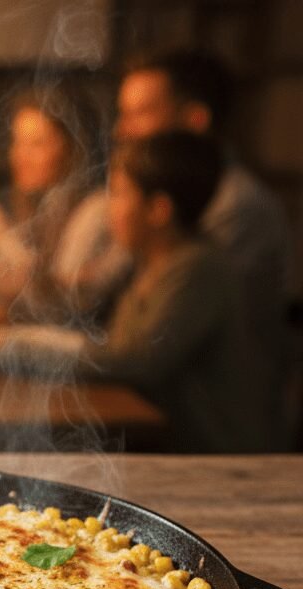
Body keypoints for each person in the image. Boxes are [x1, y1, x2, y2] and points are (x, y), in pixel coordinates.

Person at [115, 49, 293, 445]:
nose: (122, 131)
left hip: (224, 437)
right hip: (171, 416)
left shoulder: (228, 211)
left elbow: (152, 353)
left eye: (139, 114)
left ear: (195, 119)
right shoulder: (164, 234)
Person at [90, 132, 267, 452]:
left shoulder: (197, 268)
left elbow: (137, 361)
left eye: (119, 193)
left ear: (159, 209)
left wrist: (26, 351)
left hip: (214, 458)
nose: (108, 208)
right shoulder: (151, 262)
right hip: (164, 443)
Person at [0, 83, 119, 325]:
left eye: (37, 144)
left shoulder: (95, 209)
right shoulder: (38, 207)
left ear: (71, 149)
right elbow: (7, 290)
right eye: (17, 142)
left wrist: (1, 238)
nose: (20, 156)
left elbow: (63, 301)